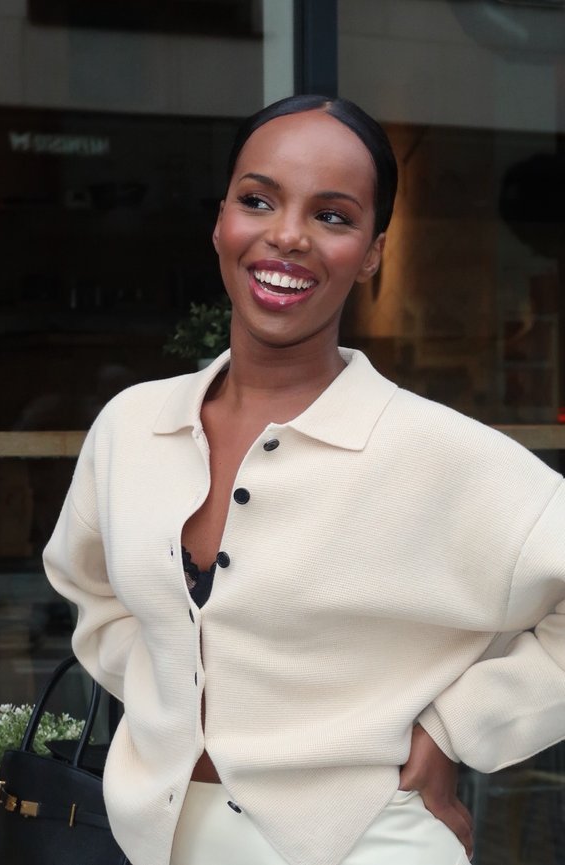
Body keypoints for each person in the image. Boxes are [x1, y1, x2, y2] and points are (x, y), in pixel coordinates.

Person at [43, 95, 565, 865]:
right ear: (221, 218)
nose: (286, 236)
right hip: (158, 837)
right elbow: (91, 592)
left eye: (333, 216)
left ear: (375, 251)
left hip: (367, 841)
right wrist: (172, 702)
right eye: (258, 200)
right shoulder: (132, 427)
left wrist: (460, 725)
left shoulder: (436, 452)